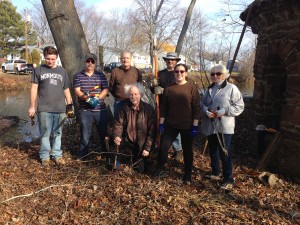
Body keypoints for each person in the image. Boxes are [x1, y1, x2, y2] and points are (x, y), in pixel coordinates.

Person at [200, 64, 244, 190]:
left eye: (218, 74)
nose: (215, 76)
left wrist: (225, 110)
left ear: (224, 75)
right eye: (212, 74)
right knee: (212, 150)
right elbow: (202, 104)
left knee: (224, 152)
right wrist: (206, 111)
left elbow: (240, 106)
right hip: (211, 125)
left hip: (224, 127)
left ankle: (228, 178)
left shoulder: (231, 88)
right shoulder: (209, 89)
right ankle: (215, 172)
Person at [28, 46, 72, 167]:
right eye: (48, 59)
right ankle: (45, 157)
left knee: (58, 133)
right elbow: (33, 89)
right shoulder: (38, 70)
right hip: (44, 109)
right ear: (44, 57)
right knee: (45, 134)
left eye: (53, 59)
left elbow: (66, 90)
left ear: (56, 57)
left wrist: (69, 106)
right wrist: (32, 106)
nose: (50, 61)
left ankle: (57, 155)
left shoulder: (62, 71)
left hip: (60, 109)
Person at [158, 64, 200, 184]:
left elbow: (196, 108)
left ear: (186, 73)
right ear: (174, 73)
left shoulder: (192, 88)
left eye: (182, 71)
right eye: (177, 71)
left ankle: (187, 175)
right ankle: (160, 170)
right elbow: (164, 108)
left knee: (187, 150)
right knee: (164, 147)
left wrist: (195, 126)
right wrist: (161, 124)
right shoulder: (169, 88)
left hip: (187, 125)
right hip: (171, 124)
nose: (179, 74)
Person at [113, 83, 156, 172]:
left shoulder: (148, 109)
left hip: (143, 145)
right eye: (131, 94)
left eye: (136, 94)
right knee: (125, 167)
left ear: (140, 94)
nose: (133, 97)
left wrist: (147, 148)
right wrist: (117, 136)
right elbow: (118, 125)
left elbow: (152, 131)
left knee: (142, 170)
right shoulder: (124, 108)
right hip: (128, 143)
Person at [73, 53, 109, 158]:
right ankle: (83, 155)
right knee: (85, 134)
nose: (90, 63)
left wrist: (97, 98)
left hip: (100, 109)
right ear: (85, 62)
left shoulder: (101, 75)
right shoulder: (78, 76)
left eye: (92, 61)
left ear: (95, 63)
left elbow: (105, 89)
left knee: (103, 133)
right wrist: (86, 98)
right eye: (88, 61)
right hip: (85, 110)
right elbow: (77, 90)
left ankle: (106, 154)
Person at [152, 52, 183, 162]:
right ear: (165, 61)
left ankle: (178, 150)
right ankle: (161, 147)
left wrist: (163, 90)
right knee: (161, 127)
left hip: (174, 106)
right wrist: (154, 86)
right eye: (168, 60)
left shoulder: (179, 73)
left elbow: (179, 90)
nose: (170, 61)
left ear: (176, 61)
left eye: (173, 60)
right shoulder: (160, 73)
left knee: (175, 128)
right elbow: (154, 91)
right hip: (161, 106)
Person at [109, 51, 142, 118]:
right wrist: (118, 95)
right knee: (118, 122)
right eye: (123, 58)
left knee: (132, 122)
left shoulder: (136, 71)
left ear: (131, 59)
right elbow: (111, 87)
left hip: (133, 101)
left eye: (127, 58)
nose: (125, 60)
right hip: (119, 102)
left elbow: (140, 87)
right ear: (120, 59)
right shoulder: (115, 71)